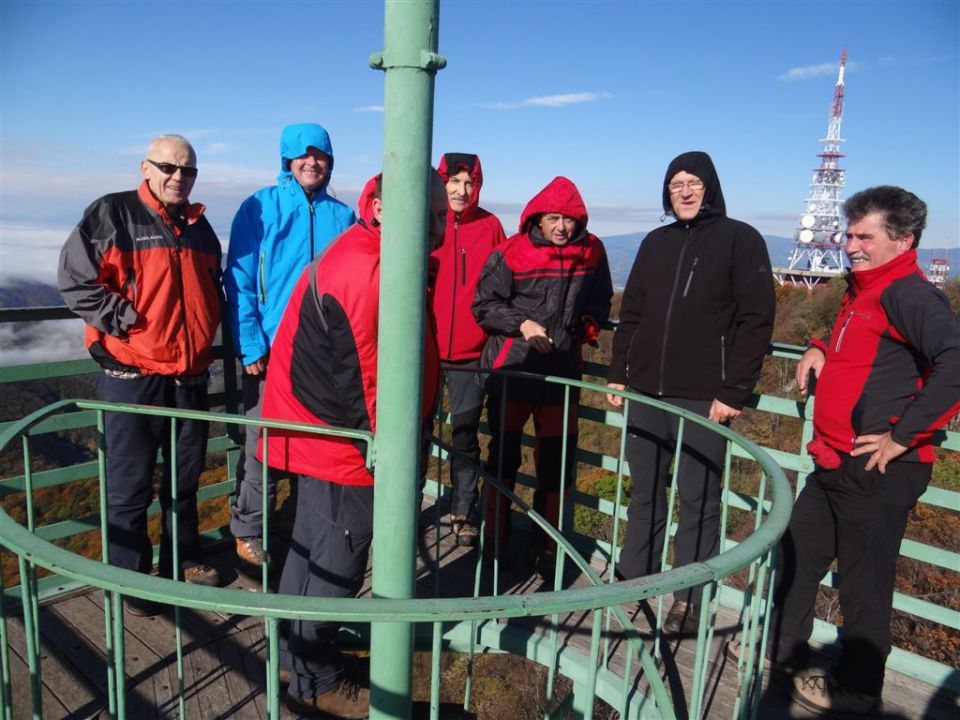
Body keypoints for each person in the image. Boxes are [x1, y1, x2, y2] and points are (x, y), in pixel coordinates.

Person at [260, 172, 446, 718]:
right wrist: (390, 454)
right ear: (383, 209)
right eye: (429, 214)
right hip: (345, 447)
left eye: (441, 215)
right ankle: (317, 681)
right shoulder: (372, 270)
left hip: (313, 432)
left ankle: (292, 657)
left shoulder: (361, 252)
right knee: (337, 564)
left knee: (309, 550)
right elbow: (371, 379)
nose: (438, 227)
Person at [769, 186, 960, 716]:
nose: (851, 244)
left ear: (903, 240)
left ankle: (858, 691)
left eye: (864, 236)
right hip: (834, 461)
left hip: (876, 469)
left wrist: (904, 435)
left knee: (862, 584)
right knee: (795, 557)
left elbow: (955, 362)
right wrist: (818, 345)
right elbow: (860, 347)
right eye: (849, 234)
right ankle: (784, 660)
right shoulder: (864, 289)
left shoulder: (908, 293)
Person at [606, 151, 775, 632]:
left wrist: (734, 390)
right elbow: (632, 312)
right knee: (644, 492)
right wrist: (619, 372)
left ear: (710, 188)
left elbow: (756, 319)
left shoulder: (740, 240)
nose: (684, 190)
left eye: (693, 182)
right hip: (644, 390)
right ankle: (634, 580)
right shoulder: (654, 243)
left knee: (698, 497)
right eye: (676, 183)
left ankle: (689, 596)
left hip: (705, 395)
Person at [58, 134, 223, 610]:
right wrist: (125, 320)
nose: (178, 177)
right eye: (168, 167)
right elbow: (74, 279)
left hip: (189, 374)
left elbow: (209, 287)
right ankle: (132, 581)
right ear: (145, 167)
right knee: (129, 487)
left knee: (183, 481)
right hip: (132, 375)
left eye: (188, 170)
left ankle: (178, 566)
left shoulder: (198, 226)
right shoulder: (113, 213)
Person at [224, 123, 355, 567]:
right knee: (262, 445)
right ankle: (248, 531)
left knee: (314, 446)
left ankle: (301, 528)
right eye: (303, 154)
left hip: (321, 355)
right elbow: (239, 280)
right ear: (287, 160)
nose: (312, 162)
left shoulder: (344, 217)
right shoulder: (260, 207)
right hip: (272, 350)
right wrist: (251, 344)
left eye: (321, 155)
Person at [473, 176, 612, 575]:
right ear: (538, 216)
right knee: (503, 458)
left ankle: (547, 546)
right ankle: (494, 540)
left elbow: (600, 296)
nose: (562, 227)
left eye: (569, 219)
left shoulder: (593, 251)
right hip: (512, 368)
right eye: (554, 218)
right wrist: (523, 324)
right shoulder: (511, 252)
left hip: (562, 370)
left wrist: (590, 321)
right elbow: (483, 305)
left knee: (557, 463)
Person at [430, 153, 506, 545]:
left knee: (464, 435)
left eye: (469, 183)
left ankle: (463, 509)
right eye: (454, 181)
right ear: (441, 183)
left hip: (471, 352)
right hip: (424, 348)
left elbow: (509, 280)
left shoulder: (490, 226)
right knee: (415, 433)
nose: (461, 190)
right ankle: (406, 505)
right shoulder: (429, 218)